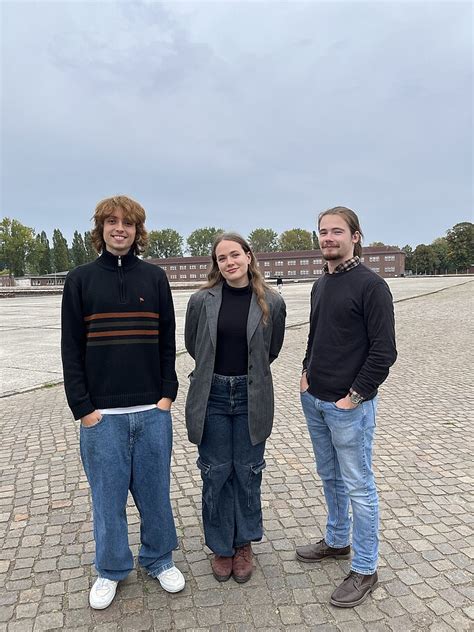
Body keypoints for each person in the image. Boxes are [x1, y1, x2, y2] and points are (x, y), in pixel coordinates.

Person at [61, 195, 185, 610]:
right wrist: (84, 409)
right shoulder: (79, 280)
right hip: (102, 418)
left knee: (155, 494)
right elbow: (71, 350)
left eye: (127, 224)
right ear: (100, 229)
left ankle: (159, 558)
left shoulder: (154, 278)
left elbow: (168, 340)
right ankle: (111, 568)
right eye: (111, 222)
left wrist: (167, 394)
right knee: (107, 500)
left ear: (137, 231)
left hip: (152, 411)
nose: (120, 229)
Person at [296, 206, 397, 608]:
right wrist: (305, 372)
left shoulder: (371, 286)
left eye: (337, 231)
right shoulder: (322, 283)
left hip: (348, 407)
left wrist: (354, 396)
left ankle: (366, 567)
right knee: (330, 477)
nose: (327, 238)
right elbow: (317, 334)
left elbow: (384, 352)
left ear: (356, 236)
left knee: (358, 485)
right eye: (322, 231)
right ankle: (338, 541)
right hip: (315, 401)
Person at [185, 232, 286, 583]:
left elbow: (270, 351)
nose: (229, 263)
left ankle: (243, 543)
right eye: (221, 258)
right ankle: (220, 546)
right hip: (211, 395)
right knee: (215, 473)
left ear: (248, 256)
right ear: (216, 264)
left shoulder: (271, 302)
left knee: (247, 472)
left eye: (234, 255)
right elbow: (194, 345)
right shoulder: (201, 300)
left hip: (250, 396)